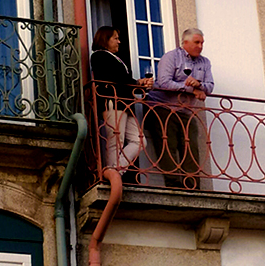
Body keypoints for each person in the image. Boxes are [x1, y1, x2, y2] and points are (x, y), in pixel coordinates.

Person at [144, 28, 214, 189]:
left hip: (185, 111)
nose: (200, 46)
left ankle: (192, 187)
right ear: (185, 42)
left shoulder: (205, 62)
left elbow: (210, 86)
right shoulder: (171, 57)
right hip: (162, 107)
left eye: (202, 42)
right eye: (197, 42)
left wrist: (199, 85)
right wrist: (192, 89)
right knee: (168, 145)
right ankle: (174, 185)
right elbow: (164, 83)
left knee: (191, 148)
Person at [90, 26, 154, 174]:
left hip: (125, 103)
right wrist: (137, 84)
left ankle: (116, 170)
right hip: (113, 102)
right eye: (115, 38)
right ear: (105, 39)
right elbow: (114, 79)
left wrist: (140, 84)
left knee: (139, 141)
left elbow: (123, 81)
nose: (119, 42)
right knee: (116, 141)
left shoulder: (114, 58)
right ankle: (113, 172)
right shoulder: (99, 56)